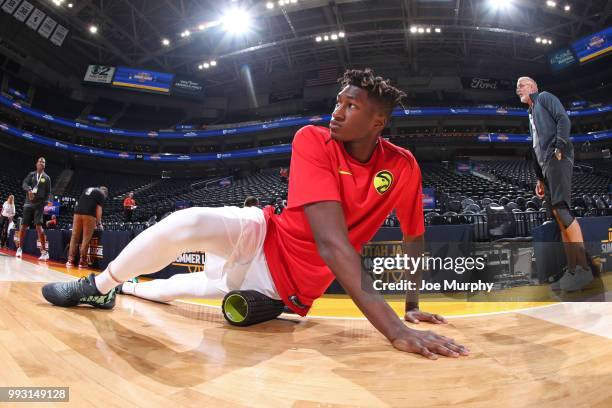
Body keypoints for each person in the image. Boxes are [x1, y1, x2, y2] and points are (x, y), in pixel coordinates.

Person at [43, 68, 468, 359]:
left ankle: (128, 289)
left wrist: (411, 306)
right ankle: (98, 287)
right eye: (338, 101)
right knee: (185, 221)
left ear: (379, 121)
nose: (336, 111)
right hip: (266, 234)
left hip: (281, 287)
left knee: (168, 291)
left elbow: (414, 236)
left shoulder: (403, 167)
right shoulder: (313, 140)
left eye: (351, 107)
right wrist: (395, 330)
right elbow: (330, 241)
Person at [516, 76, 593, 291]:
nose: (518, 89)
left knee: (563, 210)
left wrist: (559, 145)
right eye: (517, 87)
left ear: (533, 86)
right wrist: (539, 178)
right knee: (558, 217)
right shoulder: (530, 113)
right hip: (546, 166)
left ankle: (583, 270)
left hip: (557, 158)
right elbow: (535, 148)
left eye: (521, 85)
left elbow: (563, 119)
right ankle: (572, 270)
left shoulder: (545, 98)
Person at [16, 157, 51, 261]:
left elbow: (48, 193)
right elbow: (24, 184)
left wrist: (43, 204)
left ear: (45, 165)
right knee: (23, 227)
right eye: (40, 161)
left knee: (39, 228)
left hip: (39, 205)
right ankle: (20, 249)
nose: (42, 163)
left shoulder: (47, 178)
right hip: (28, 204)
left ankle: (44, 252)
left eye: (43, 162)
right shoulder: (31, 174)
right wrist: (30, 190)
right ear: (36, 164)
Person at [66, 186, 108, 268]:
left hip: (77, 213)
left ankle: (70, 261)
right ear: (105, 193)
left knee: (74, 237)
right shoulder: (101, 195)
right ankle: (82, 262)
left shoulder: (88, 189)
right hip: (89, 215)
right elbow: (99, 210)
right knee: (86, 238)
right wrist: (99, 223)